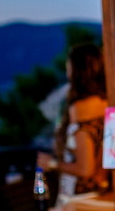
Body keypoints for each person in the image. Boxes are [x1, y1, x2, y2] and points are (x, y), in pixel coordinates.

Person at [37, 43, 109, 202]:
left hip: (81, 194)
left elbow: (85, 169)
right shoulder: (107, 102)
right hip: (102, 189)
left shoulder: (80, 109)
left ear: (76, 70)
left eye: (68, 66)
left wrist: (52, 163)